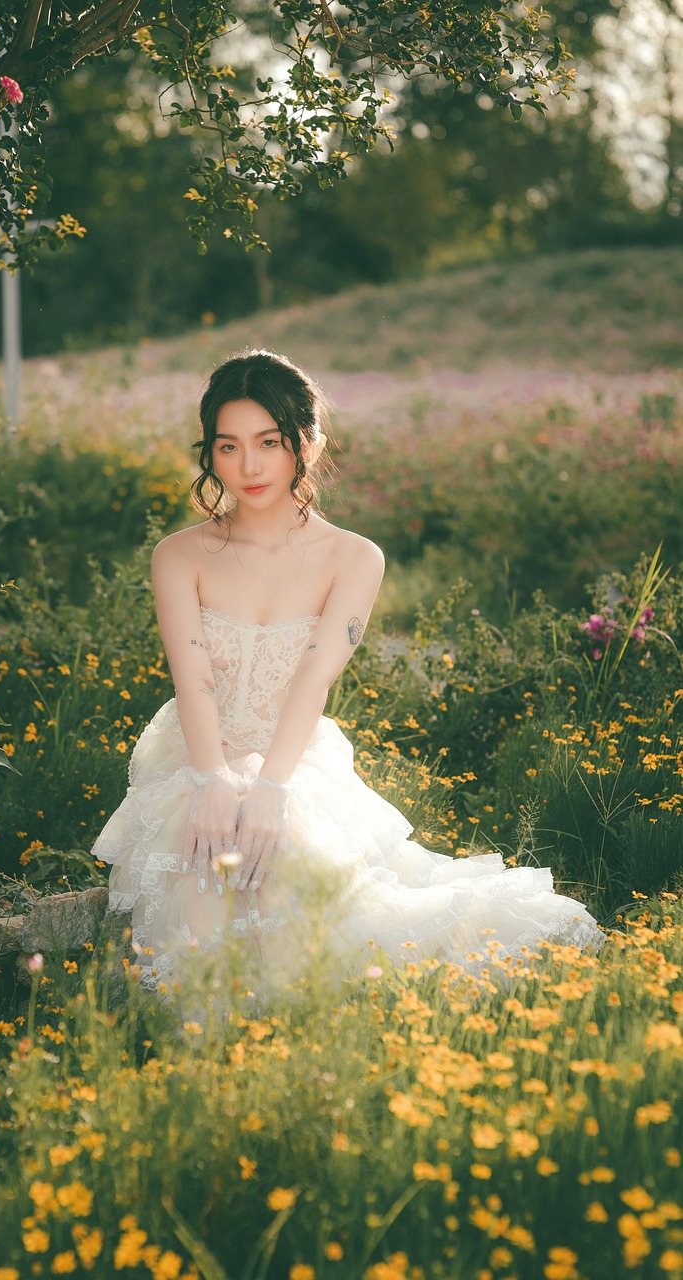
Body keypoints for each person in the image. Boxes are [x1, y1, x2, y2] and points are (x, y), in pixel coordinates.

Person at [92, 350, 604, 990]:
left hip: (292, 757)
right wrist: (212, 779)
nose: (248, 467)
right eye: (228, 446)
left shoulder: (354, 558)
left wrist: (272, 791)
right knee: (203, 875)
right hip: (194, 754)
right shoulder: (178, 556)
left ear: (307, 444)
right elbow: (190, 676)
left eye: (269, 443)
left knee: (295, 878)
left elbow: (313, 680)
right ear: (209, 451)